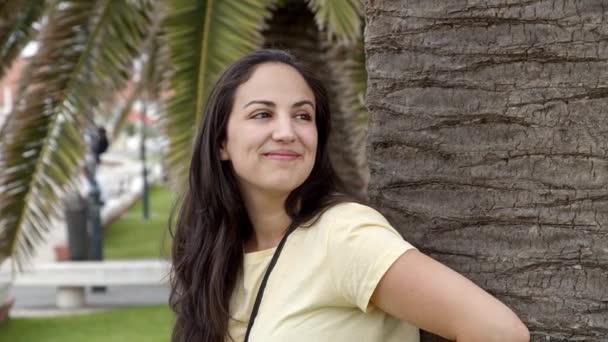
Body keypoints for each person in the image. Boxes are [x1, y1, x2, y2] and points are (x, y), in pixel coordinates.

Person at [169, 49, 530, 342]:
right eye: (262, 114)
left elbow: (498, 332)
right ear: (221, 143)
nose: (286, 132)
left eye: (302, 116)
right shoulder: (217, 255)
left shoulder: (342, 234)